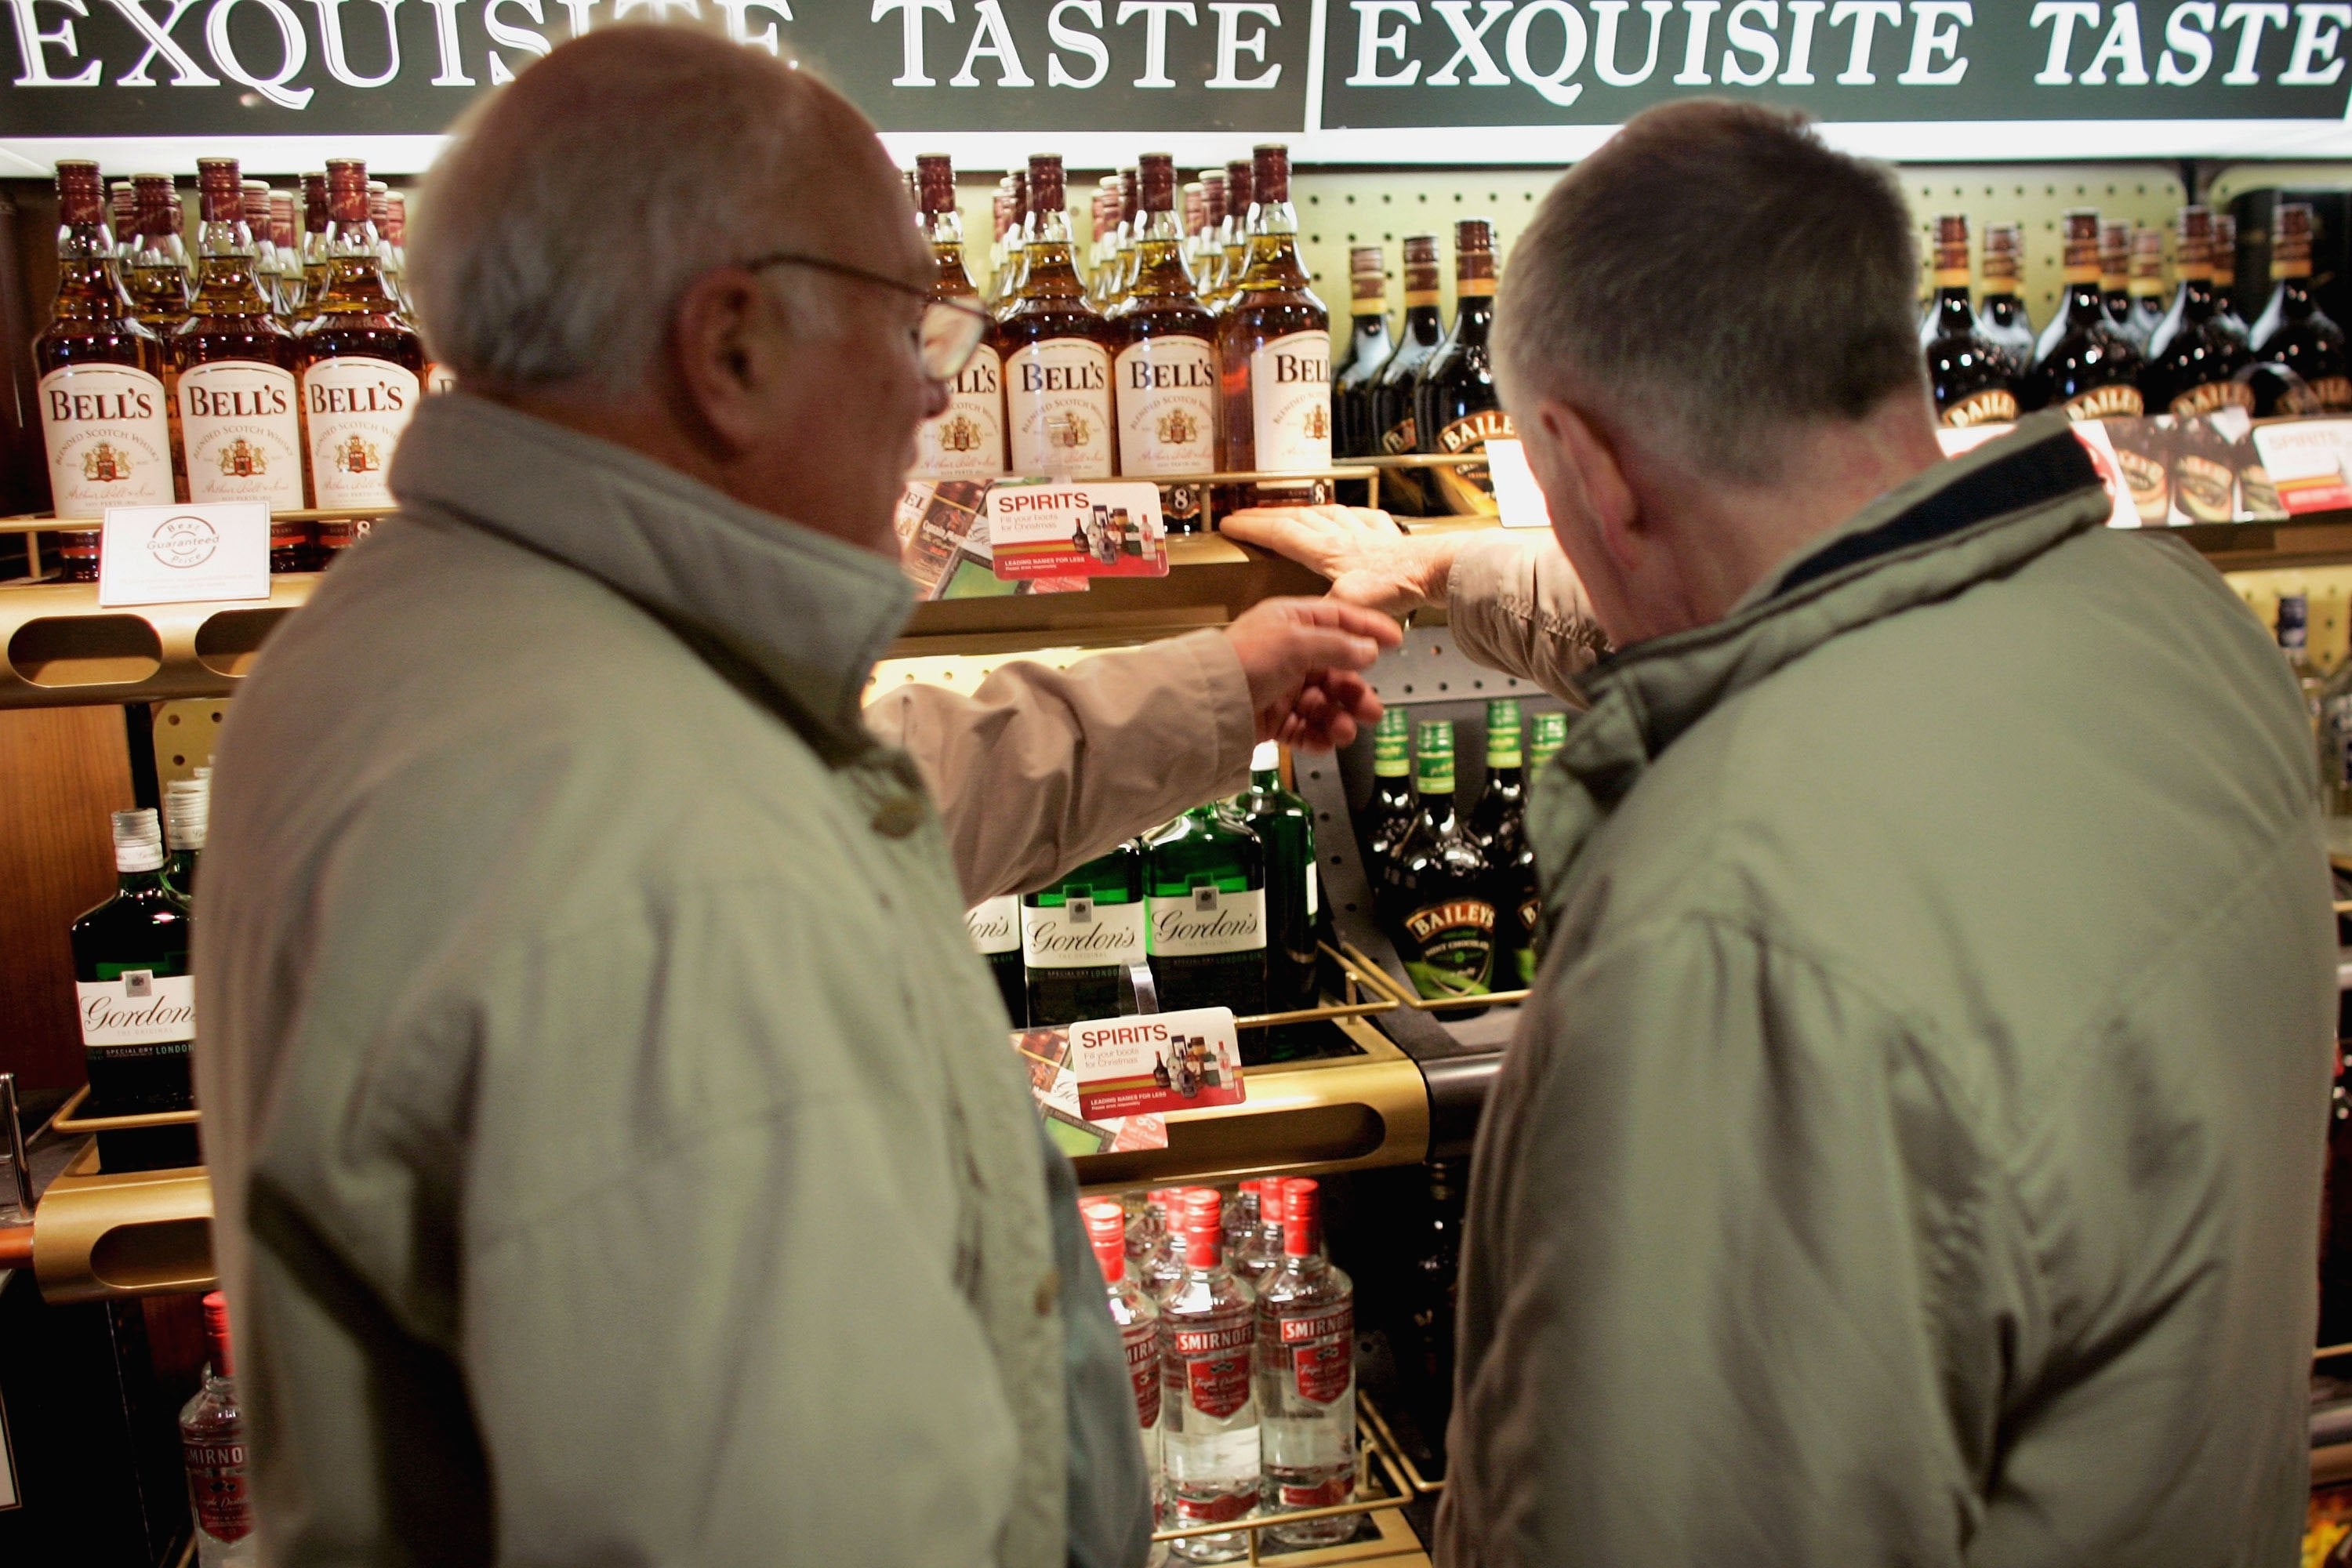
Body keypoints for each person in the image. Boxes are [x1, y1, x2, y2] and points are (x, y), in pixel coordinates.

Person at [191, 26, 1397, 1568]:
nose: (930, 404)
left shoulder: (466, 637)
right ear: (733, 343)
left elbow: (860, 803)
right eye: (912, 327)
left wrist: (1218, 685)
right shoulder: (636, 829)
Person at [1248, 101, 2336, 1566]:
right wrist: (1444, 562)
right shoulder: (2182, 638)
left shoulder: (1722, 922)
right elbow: (1792, 607)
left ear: (1582, 462)